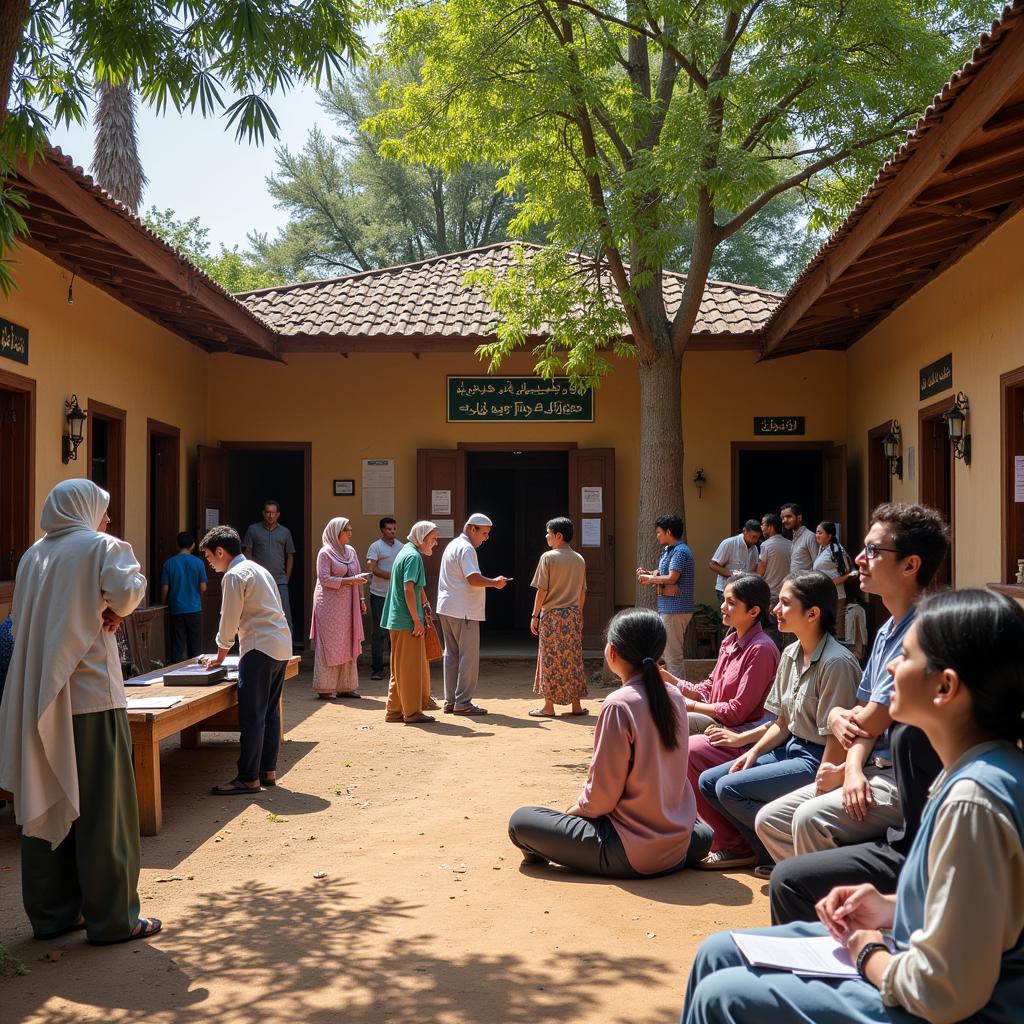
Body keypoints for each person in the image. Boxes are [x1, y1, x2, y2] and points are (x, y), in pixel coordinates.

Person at [681, 589, 1024, 1024]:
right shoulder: (975, 769)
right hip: (917, 964)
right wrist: (890, 906)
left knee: (723, 996)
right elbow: (979, 910)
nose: (892, 667)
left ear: (945, 687)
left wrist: (868, 951)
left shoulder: (974, 802)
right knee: (717, 952)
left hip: (958, 1008)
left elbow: (944, 992)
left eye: (908, 657)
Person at [0, 479, 159, 944]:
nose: (108, 518)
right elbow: (128, 594)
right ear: (87, 509)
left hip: (37, 698)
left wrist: (106, 604)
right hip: (90, 695)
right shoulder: (102, 546)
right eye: (104, 509)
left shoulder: (32, 556)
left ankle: (52, 914)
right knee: (105, 810)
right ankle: (114, 919)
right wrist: (117, 607)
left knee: (46, 795)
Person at [756, 503, 949, 866]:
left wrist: (849, 764)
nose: (859, 558)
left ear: (910, 565)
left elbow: (868, 720)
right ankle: (830, 892)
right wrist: (849, 754)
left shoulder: (923, 632)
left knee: (810, 819)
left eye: (874, 551)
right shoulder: (885, 632)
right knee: (770, 820)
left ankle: (840, 909)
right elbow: (859, 713)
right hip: (869, 766)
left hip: (901, 777)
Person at [508, 608, 713, 877]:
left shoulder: (619, 704)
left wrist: (572, 814)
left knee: (521, 822)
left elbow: (601, 799)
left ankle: (557, 852)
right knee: (705, 832)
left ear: (612, 653)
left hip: (629, 851)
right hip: (680, 840)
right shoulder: (673, 694)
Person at [696, 571, 861, 872]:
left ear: (812, 613)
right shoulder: (790, 653)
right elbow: (782, 721)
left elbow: (837, 739)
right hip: (788, 748)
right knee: (710, 781)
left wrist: (823, 789)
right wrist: (753, 752)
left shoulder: (836, 663)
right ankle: (763, 849)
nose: (775, 610)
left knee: (729, 789)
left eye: (785, 603)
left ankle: (787, 852)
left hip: (816, 758)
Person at [200, 525, 292, 794]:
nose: (209, 562)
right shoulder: (258, 568)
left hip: (259, 648)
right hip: (280, 645)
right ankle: (267, 770)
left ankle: (248, 777)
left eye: (209, 556)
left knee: (252, 715)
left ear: (220, 551)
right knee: (270, 712)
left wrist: (220, 655)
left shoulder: (234, 575)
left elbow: (228, 617)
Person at [676, 574, 780, 736]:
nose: (723, 607)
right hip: (718, 722)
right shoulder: (730, 640)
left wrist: (690, 705)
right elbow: (709, 688)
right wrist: (669, 681)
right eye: (724, 600)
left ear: (753, 611)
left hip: (741, 733)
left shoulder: (761, 649)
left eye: (731, 603)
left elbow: (737, 713)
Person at [436, 513, 509, 716]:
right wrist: (495, 582)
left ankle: (450, 701)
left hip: (447, 607)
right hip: (464, 610)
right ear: (472, 529)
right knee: (468, 657)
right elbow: (473, 579)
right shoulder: (467, 548)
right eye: (483, 533)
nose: (485, 538)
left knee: (450, 654)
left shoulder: (453, 545)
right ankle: (463, 702)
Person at [529, 517, 588, 719]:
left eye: (548, 532)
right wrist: (578, 614)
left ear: (558, 535)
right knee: (573, 659)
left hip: (552, 616)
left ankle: (549, 706)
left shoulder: (548, 557)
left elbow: (542, 590)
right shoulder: (579, 559)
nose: (546, 536)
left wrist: (534, 615)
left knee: (550, 660)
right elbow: (582, 592)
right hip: (572, 615)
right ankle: (576, 705)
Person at [383, 521, 439, 725]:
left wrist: (424, 604)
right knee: (411, 670)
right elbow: (408, 588)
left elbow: (415, 587)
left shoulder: (405, 551)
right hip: (406, 620)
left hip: (397, 619)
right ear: (422, 538)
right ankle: (412, 712)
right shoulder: (414, 556)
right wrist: (417, 619)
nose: (435, 543)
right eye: (433, 539)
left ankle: (395, 711)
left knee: (399, 668)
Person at [311, 517, 370, 700]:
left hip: (348, 605)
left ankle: (346, 686)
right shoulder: (325, 553)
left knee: (347, 640)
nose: (350, 534)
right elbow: (325, 579)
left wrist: (361, 598)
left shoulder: (350, 552)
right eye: (347, 530)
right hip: (328, 605)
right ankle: (326, 687)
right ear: (337, 533)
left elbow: (357, 574)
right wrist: (351, 581)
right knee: (330, 643)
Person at [636, 514, 694, 678]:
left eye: (659, 532)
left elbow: (672, 578)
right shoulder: (670, 550)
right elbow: (666, 575)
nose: (657, 535)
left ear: (668, 532)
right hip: (669, 608)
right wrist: (649, 574)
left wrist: (650, 578)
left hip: (676, 609)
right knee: (667, 655)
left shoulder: (680, 551)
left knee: (673, 657)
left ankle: (680, 699)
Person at [242, 499, 297, 638]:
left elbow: (290, 555)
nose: (270, 516)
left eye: (273, 513)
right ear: (263, 513)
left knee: (284, 613)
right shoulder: (253, 530)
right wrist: (249, 575)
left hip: (280, 579)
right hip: (259, 580)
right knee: (259, 612)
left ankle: (288, 646)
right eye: (267, 512)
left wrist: (287, 577)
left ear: (278, 514)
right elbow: (247, 552)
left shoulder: (285, 532)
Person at [159, 530, 208, 662]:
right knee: (195, 644)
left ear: (177, 545)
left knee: (177, 644)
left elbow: (165, 588)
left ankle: (175, 672)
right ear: (193, 545)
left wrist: (164, 604)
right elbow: (203, 587)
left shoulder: (169, 563)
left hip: (176, 609)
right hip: (194, 608)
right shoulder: (199, 563)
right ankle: (195, 672)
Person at [366, 517, 400, 681]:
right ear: (382, 530)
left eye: (394, 529)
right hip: (379, 594)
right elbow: (371, 567)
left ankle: (396, 668)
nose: (392, 531)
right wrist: (391, 576)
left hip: (395, 596)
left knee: (395, 632)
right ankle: (377, 669)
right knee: (379, 633)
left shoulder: (401, 546)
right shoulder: (375, 546)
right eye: (389, 529)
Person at [812, 520, 855, 640]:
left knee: (837, 629)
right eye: (817, 532)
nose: (817, 535)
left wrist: (833, 582)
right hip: (825, 594)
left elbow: (847, 570)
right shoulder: (823, 548)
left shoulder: (836, 549)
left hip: (836, 595)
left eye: (820, 533)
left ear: (829, 535)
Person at [709, 520, 761, 601]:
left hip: (743, 591)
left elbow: (753, 570)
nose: (756, 541)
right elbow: (712, 565)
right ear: (744, 531)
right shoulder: (729, 543)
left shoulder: (754, 549)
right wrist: (733, 575)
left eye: (758, 538)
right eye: (753, 537)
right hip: (725, 589)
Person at [781, 502, 817, 573]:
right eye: (783, 517)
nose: (784, 520)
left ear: (799, 518)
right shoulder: (792, 536)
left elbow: (817, 565)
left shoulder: (810, 537)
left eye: (788, 516)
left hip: (807, 583)